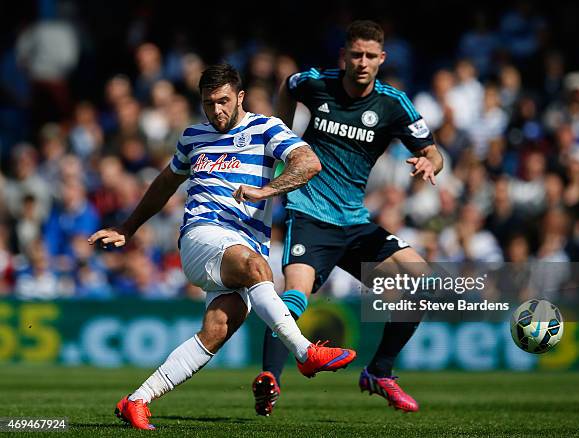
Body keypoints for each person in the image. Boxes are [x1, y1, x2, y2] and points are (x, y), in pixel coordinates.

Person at [88, 64, 356, 430]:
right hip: (202, 235)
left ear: (240, 97)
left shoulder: (265, 129)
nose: (216, 111)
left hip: (244, 243)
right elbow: (166, 182)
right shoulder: (193, 137)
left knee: (216, 330)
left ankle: (137, 400)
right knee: (255, 267)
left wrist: (267, 189)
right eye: (208, 103)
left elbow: (309, 162)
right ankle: (305, 353)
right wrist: (128, 227)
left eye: (223, 101)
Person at [252, 20, 443, 416]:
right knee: (294, 295)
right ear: (344, 55)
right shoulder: (316, 83)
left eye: (371, 56)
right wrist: (282, 134)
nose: (362, 62)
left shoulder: (393, 104)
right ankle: (270, 378)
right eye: (356, 54)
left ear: (382, 59)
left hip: (355, 222)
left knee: (421, 280)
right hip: (310, 213)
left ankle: (379, 372)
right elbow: (288, 84)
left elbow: (433, 150)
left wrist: (430, 162)